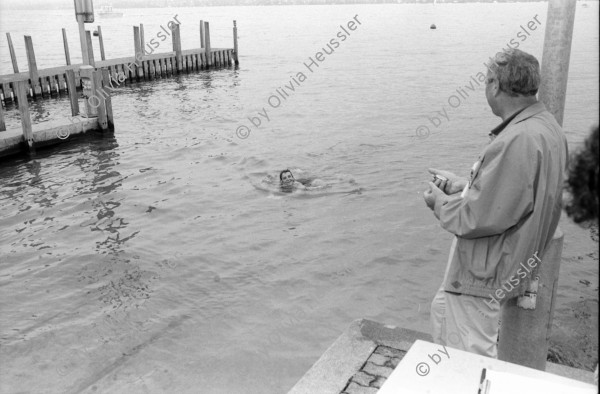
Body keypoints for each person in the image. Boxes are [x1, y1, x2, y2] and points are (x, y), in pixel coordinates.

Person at [423, 49, 568, 358]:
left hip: (483, 273)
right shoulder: (547, 128)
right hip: (507, 264)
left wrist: (439, 203)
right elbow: (520, 193)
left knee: (464, 358)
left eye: (486, 81)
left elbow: (477, 218)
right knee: (444, 315)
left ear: (494, 85)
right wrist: (467, 186)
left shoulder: (516, 139)